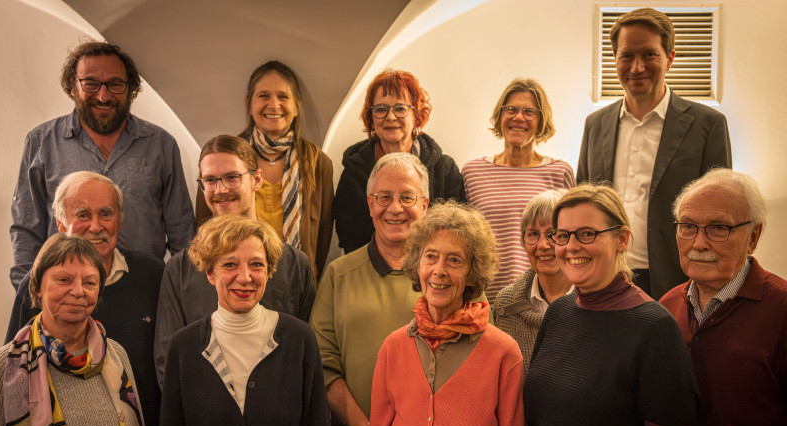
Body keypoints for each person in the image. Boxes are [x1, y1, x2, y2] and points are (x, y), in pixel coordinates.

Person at [524, 184, 699, 426]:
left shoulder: (655, 328)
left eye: (586, 234)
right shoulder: (559, 312)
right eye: (562, 235)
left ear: (622, 239)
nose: (571, 247)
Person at [10, 40, 194, 289]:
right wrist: (31, 289)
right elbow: (26, 229)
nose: (103, 95)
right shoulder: (41, 142)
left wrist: (180, 296)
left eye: (115, 84)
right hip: (66, 296)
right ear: (72, 86)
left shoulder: (161, 145)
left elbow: (183, 234)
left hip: (145, 295)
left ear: (131, 89)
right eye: (91, 83)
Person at [577, 8, 732, 298]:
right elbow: (583, 205)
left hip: (681, 282)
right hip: (606, 279)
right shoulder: (594, 125)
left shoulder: (707, 125)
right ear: (615, 60)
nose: (636, 67)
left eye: (649, 54)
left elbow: (721, 213)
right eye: (626, 56)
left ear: (669, 59)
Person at [5, 171, 163, 426]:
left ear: (120, 220)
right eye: (82, 215)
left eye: (106, 214)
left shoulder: (153, 276)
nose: (95, 226)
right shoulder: (40, 285)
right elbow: (14, 369)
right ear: (59, 220)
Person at [159, 214, 332, 426]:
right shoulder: (184, 346)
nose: (245, 277)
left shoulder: (299, 339)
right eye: (230, 264)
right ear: (210, 273)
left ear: (269, 271)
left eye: (256, 264)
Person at [154, 135, 315, 387]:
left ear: (257, 180)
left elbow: (307, 356)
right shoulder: (179, 269)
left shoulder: (295, 264)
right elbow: (169, 364)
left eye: (232, 177)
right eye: (210, 180)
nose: (221, 189)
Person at [370, 201, 525, 426]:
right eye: (430, 256)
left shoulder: (504, 353)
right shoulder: (393, 347)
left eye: (454, 260)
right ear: (417, 264)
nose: (439, 270)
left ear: (473, 273)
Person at [660, 169, 787, 426]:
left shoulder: (782, 310)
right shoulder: (666, 307)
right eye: (688, 226)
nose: (699, 243)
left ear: (753, 237)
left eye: (719, 228)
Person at [310, 152, 430, 426]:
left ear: (425, 205)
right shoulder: (339, 275)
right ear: (369, 204)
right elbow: (322, 365)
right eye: (384, 197)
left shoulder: (452, 277)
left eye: (407, 197)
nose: (395, 208)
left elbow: (478, 359)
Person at [0, 234, 145, 426]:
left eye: (89, 282)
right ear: (37, 288)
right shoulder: (4, 368)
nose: (79, 291)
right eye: (64, 280)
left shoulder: (116, 355)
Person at [195, 61, 332, 280]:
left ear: (297, 106)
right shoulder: (225, 159)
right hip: (237, 280)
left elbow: (323, 237)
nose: (273, 104)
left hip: (295, 283)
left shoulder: (318, 162)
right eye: (264, 96)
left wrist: (305, 276)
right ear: (249, 104)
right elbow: (204, 223)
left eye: (283, 97)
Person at [462, 78, 574, 303]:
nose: (518, 117)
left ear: (541, 120)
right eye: (511, 109)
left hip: (543, 299)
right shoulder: (472, 172)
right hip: (484, 299)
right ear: (500, 116)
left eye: (529, 112)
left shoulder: (560, 172)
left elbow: (570, 241)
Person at [332, 69, 465, 254]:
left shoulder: (445, 170)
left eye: (400, 109)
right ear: (371, 118)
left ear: (416, 116)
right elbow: (349, 235)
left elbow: (457, 232)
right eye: (380, 109)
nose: (390, 117)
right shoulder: (355, 171)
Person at [493, 189, 573, 374]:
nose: (543, 245)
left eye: (554, 234)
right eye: (533, 234)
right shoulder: (506, 303)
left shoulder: (597, 302)